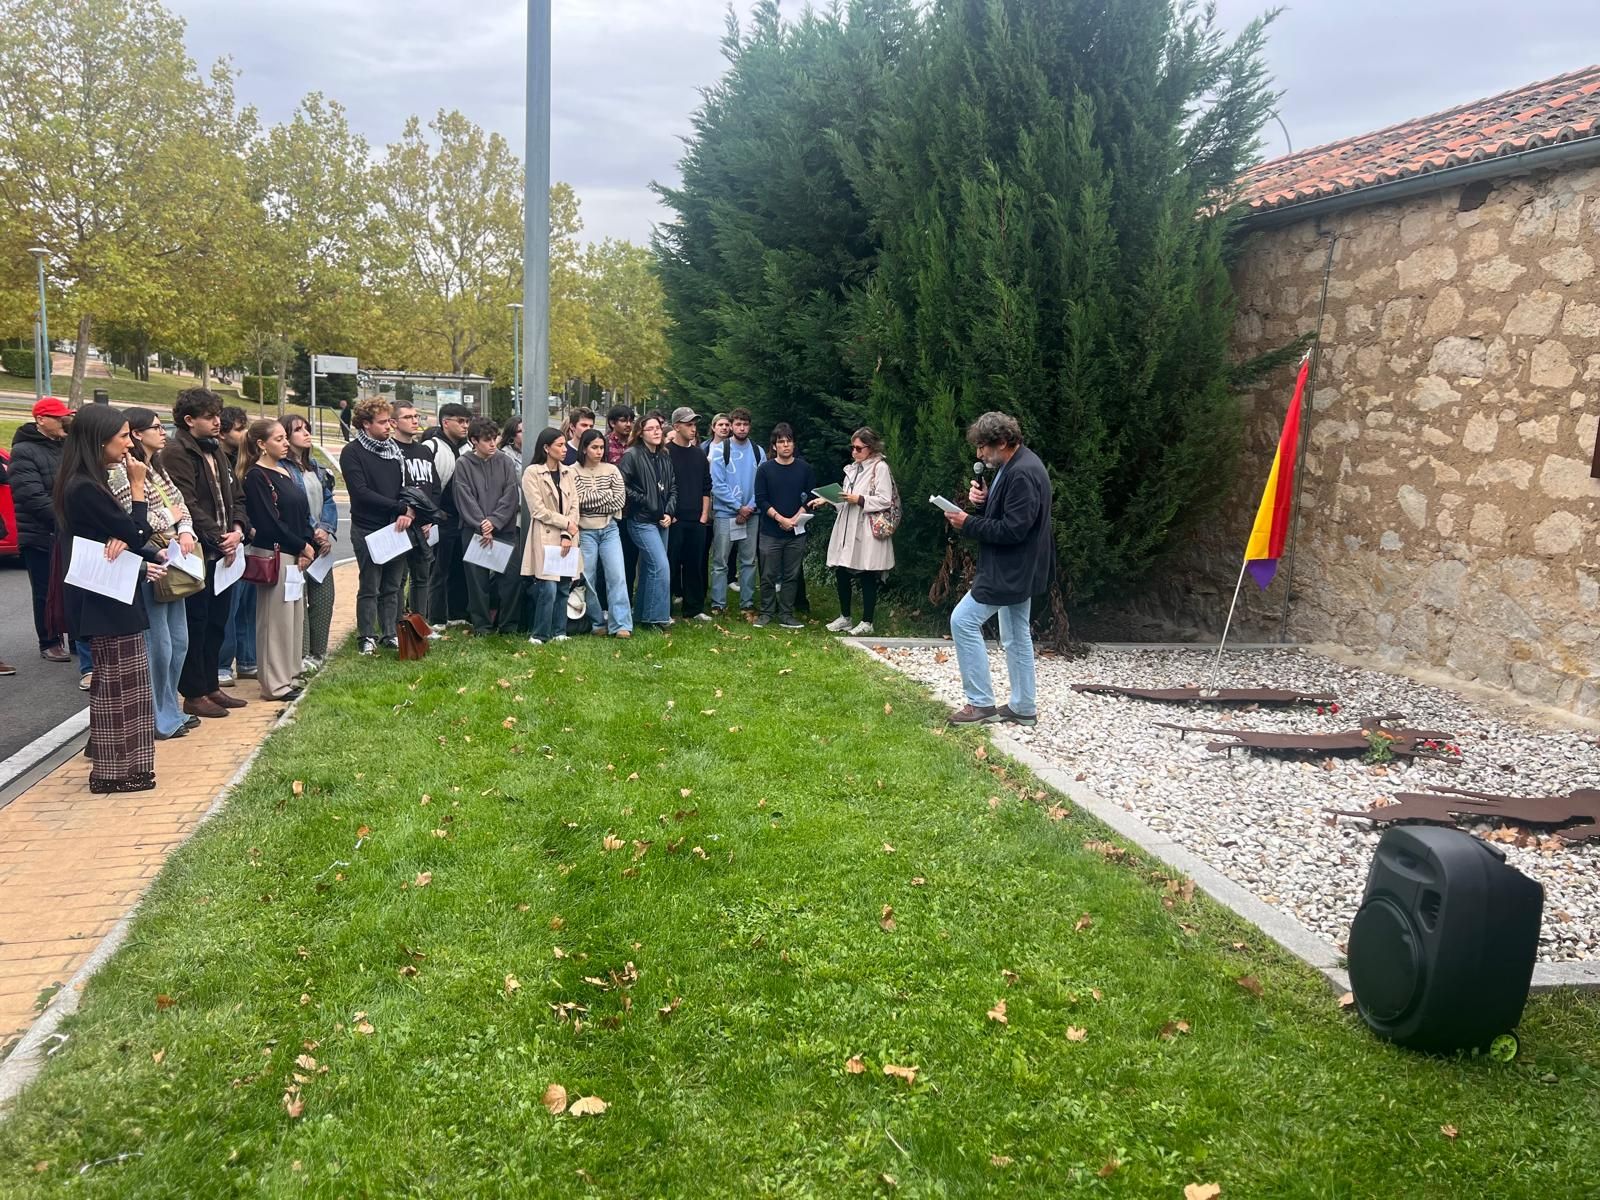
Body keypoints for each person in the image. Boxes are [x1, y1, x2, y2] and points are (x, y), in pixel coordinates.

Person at [55, 405, 168, 793]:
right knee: (117, 688)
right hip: (103, 597)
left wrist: (136, 544)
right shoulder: (83, 486)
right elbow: (135, 531)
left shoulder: (91, 480)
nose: (129, 442)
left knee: (128, 684)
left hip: (112, 593)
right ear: (99, 439)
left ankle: (128, 767)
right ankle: (113, 771)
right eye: (123, 435)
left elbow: (127, 538)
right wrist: (137, 489)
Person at [943, 411, 1054, 727]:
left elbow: (1013, 530)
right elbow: (1012, 515)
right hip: (1021, 567)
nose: (979, 454)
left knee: (962, 621)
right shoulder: (1017, 464)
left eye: (983, 447)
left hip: (1009, 569)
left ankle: (980, 704)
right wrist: (985, 502)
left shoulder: (1021, 473)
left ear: (1003, 442)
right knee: (1016, 635)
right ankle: (1023, 706)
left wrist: (968, 522)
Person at [159, 388, 250, 720]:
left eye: (217, 416)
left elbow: (236, 497)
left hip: (225, 552)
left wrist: (238, 529)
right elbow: (186, 504)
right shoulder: (176, 452)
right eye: (209, 417)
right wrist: (218, 538)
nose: (217, 422)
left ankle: (211, 685)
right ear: (189, 420)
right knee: (195, 624)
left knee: (216, 623)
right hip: (198, 553)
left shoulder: (218, 452)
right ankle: (194, 692)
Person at [110, 408, 198, 740]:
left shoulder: (157, 469)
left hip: (175, 558)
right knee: (157, 644)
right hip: (150, 560)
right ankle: (156, 715)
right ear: (136, 434)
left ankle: (171, 707)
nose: (164, 433)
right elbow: (134, 518)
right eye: (157, 428)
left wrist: (185, 528)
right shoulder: (121, 472)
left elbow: (182, 507)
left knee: (178, 642)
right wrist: (170, 516)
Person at [240, 420, 314, 701]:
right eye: (279, 439)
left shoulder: (284, 470)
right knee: (274, 620)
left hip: (295, 554)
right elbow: (269, 522)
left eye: (286, 438)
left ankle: (290, 674)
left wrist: (307, 544)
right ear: (261, 444)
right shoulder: (257, 476)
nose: (286, 443)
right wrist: (301, 545)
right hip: (276, 553)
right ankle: (274, 683)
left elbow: (300, 512)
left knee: (293, 617)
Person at [340, 397, 415, 655]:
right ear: (365, 424)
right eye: (382, 422)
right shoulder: (353, 452)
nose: (388, 427)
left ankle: (390, 632)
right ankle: (367, 636)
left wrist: (406, 510)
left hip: (395, 527)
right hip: (367, 528)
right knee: (370, 585)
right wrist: (397, 507)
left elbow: (405, 487)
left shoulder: (394, 451)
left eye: (389, 422)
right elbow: (360, 492)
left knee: (393, 586)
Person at [11, 396, 73, 664]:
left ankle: (73, 636)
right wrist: (67, 520)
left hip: (66, 530)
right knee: (45, 590)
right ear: (41, 420)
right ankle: (49, 640)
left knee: (71, 587)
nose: (64, 422)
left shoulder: (64, 446)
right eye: (58, 418)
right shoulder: (24, 450)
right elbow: (31, 495)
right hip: (40, 533)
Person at [821, 427, 896, 636]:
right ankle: (845, 616)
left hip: (866, 527)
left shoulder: (879, 468)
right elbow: (844, 499)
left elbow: (885, 499)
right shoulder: (852, 469)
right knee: (842, 569)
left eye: (858, 448)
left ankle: (867, 621)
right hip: (847, 524)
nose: (854, 452)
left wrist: (859, 500)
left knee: (867, 572)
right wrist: (827, 499)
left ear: (870, 449)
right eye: (852, 448)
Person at [453, 415, 521, 636]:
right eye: (486, 440)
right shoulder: (463, 464)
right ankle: (482, 625)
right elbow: (464, 496)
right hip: (474, 531)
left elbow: (511, 494)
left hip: (504, 529)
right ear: (474, 440)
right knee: (477, 581)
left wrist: (493, 522)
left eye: (495, 438)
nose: (492, 444)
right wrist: (482, 524)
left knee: (511, 578)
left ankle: (508, 624)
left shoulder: (505, 461)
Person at [282, 414, 338, 671]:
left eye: (307, 428)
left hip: (320, 543)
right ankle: (302, 655)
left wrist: (326, 529)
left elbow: (327, 499)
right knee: (298, 600)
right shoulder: (283, 469)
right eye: (298, 430)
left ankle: (319, 653)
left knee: (324, 597)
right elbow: (294, 505)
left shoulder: (314, 466)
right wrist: (312, 532)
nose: (306, 433)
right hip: (298, 542)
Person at [522, 426, 583, 644]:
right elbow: (537, 510)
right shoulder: (532, 473)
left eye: (565, 444)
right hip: (545, 535)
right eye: (559, 445)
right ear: (546, 448)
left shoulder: (569, 472)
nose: (564, 448)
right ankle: (540, 633)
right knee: (547, 587)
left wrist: (568, 530)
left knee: (564, 586)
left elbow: (575, 504)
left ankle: (559, 631)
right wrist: (565, 522)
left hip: (568, 535)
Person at [753, 423, 815, 629]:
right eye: (781, 441)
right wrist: (781, 519)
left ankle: (787, 613)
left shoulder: (804, 468)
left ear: (794, 444)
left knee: (791, 574)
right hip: (770, 531)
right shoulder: (765, 469)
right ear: (774, 446)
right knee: (768, 574)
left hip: (797, 531)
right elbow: (761, 500)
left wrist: (797, 517)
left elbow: (811, 496)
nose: (785, 445)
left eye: (789, 441)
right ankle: (766, 612)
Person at [619, 411, 676, 631]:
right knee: (660, 566)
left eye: (658, 428)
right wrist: (648, 502)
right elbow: (622, 486)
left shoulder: (664, 455)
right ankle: (656, 618)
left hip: (662, 520)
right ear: (640, 433)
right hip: (641, 520)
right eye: (650, 428)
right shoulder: (632, 455)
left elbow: (673, 486)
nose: (656, 432)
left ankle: (643, 614)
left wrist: (668, 512)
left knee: (652, 568)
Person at [573, 427, 632, 638]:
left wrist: (594, 499)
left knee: (617, 575)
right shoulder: (573, 471)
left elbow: (620, 499)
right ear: (584, 448)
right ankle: (596, 622)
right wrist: (605, 495)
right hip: (585, 531)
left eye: (601, 447)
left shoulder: (612, 470)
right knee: (588, 577)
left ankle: (621, 624)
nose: (599, 451)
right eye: (594, 447)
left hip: (609, 529)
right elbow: (578, 501)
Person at [708, 406, 765, 617]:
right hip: (725, 513)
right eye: (738, 424)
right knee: (720, 561)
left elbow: (761, 484)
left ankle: (747, 603)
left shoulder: (758, 452)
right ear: (731, 426)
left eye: (745, 424)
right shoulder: (720, 450)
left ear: (749, 426)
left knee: (749, 561)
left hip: (752, 513)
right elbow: (717, 484)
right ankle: (718, 604)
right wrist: (737, 507)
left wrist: (748, 508)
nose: (742, 428)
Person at [421, 402, 472, 625]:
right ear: (445, 422)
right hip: (439, 518)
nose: (465, 426)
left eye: (467, 422)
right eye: (460, 421)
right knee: (438, 569)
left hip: (463, 518)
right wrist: (430, 516)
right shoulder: (431, 446)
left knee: (460, 567)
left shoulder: (468, 448)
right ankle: (436, 616)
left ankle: (458, 613)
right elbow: (426, 484)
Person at [218, 406, 256, 686]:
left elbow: (240, 501)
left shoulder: (242, 461)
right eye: (239, 429)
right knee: (228, 608)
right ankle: (222, 665)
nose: (245, 435)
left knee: (246, 606)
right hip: (223, 542)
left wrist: (243, 527)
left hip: (244, 538)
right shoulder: (216, 459)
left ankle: (247, 660)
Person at [392, 401, 438, 621]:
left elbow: (434, 487)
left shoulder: (424, 451)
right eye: (408, 417)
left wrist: (428, 519)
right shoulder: (391, 451)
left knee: (422, 576)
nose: (414, 421)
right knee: (398, 578)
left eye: (416, 416)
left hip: (423, 525)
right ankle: (398, 624)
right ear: (393, 422)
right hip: (400, 523)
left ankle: (420, 623)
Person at [666, 406, 713, 622]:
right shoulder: (665, 453)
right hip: (674, 519)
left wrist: (704, 515)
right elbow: (663, 487)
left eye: (694, 424)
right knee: (670, 565)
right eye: (688, 424)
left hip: (697, 519)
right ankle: (664, 608)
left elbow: (706, 486)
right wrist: (670, 514)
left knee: (695, 565)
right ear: (676, 427)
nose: (693, 429)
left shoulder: (699, 454)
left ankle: (694, 608)